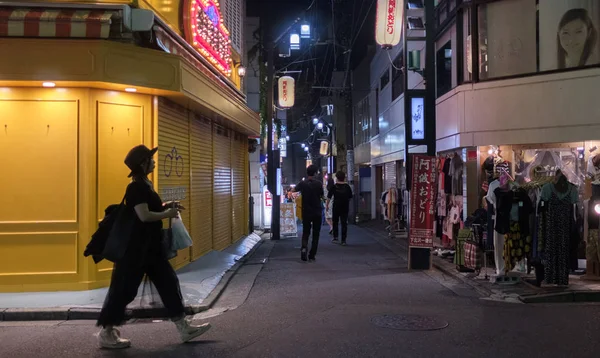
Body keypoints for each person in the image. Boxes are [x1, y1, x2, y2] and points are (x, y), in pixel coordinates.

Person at [96, 145, 211, 349]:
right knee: (125, 290)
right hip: (136, 251)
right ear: (143, 163)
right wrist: (166, 214)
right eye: (151, 158)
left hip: (150, 248)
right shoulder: (136, 187)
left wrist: (167, 206)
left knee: (168, 283)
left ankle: (184, 327)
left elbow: (150, 209)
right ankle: (106, 332)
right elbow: (143, 215)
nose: (155, 161)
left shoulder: (145, 184)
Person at [293, 164, 324, 261]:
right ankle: (312, 255)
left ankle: (303, 248)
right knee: (316, 233)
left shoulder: (303, 183)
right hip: (317, 211)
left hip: (306, 211)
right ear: (315, 173)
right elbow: (322, 196)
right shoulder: (319, 184)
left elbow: (294, 190)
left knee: (306, 232)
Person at [327, 171, 353, 245]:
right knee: (344, 223)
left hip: (336, 206)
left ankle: (335, 237)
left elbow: (329, 197)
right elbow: (350, 197)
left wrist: (327, 206)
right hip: (345, 206)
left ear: (337, 178)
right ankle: (343, 240)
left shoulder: (334, 186)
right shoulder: (347, 187)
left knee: (335, 222)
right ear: (344, 178)